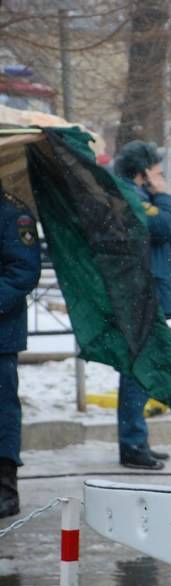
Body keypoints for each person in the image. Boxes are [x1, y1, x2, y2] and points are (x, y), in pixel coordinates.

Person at [112, 140, 171, 470]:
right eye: (157, 171)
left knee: (139, 370)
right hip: (140, 298)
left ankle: (136, 440)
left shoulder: (136, 195)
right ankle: (132, 443)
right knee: (136, 371)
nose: (161, 176)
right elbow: (164, 226)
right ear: (143, 173)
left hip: (142, 296)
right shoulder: (133, 198)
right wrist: (167, 195)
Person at [0, 185, 42, 519]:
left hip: (1, 336)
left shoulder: (14, 216)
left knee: (2, 413)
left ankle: (5, 489)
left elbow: (23, 272)